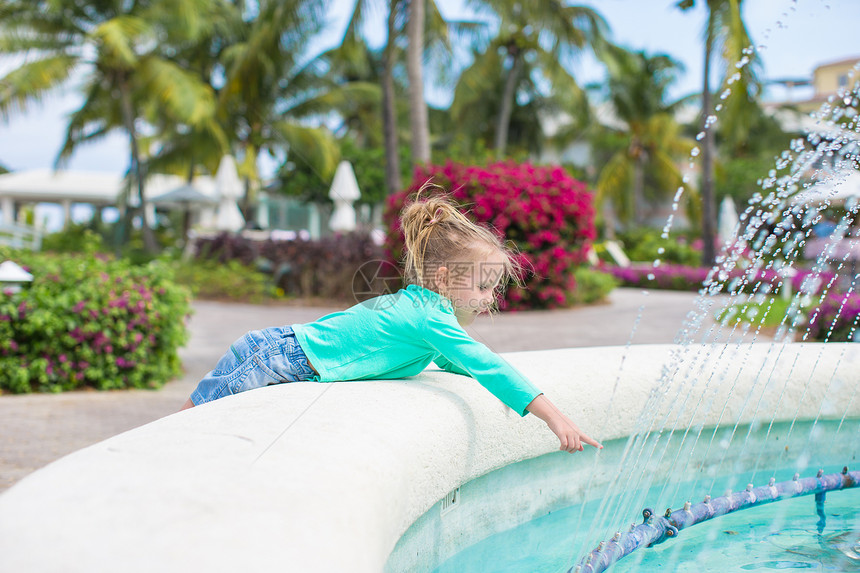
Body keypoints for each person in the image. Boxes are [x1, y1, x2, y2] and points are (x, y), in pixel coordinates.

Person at [181, 192, 601, 454]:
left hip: (280, 353)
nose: (491, 298)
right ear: (443, 280)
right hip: (273, 356)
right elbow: (487, 364)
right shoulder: (428, 317)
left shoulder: (429, 316)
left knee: (192, 425)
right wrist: (552, 416)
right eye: (485, 285)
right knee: (180, 427)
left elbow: (466, 362)